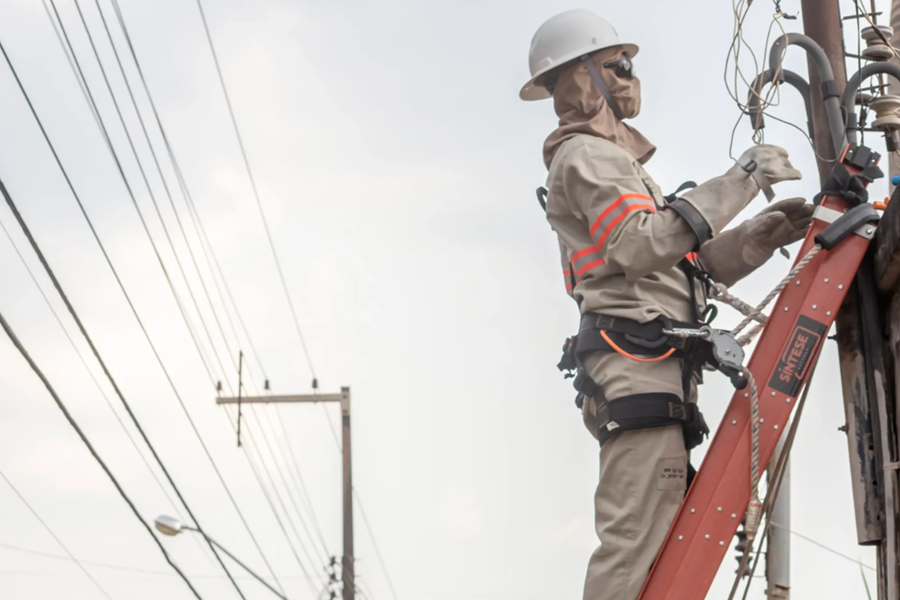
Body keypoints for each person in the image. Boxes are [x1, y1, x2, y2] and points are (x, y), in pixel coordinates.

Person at [520, 9, 813, 600]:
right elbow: (641, 244)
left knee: (656, 547)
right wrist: (743, 179)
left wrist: (755, 237)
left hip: (653, 370)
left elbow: (680, 266)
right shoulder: (586, 157)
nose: (631, 78)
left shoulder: (612, 163)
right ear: (581, 79)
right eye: (618, 66)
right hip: (636, 370)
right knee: (634, 548)